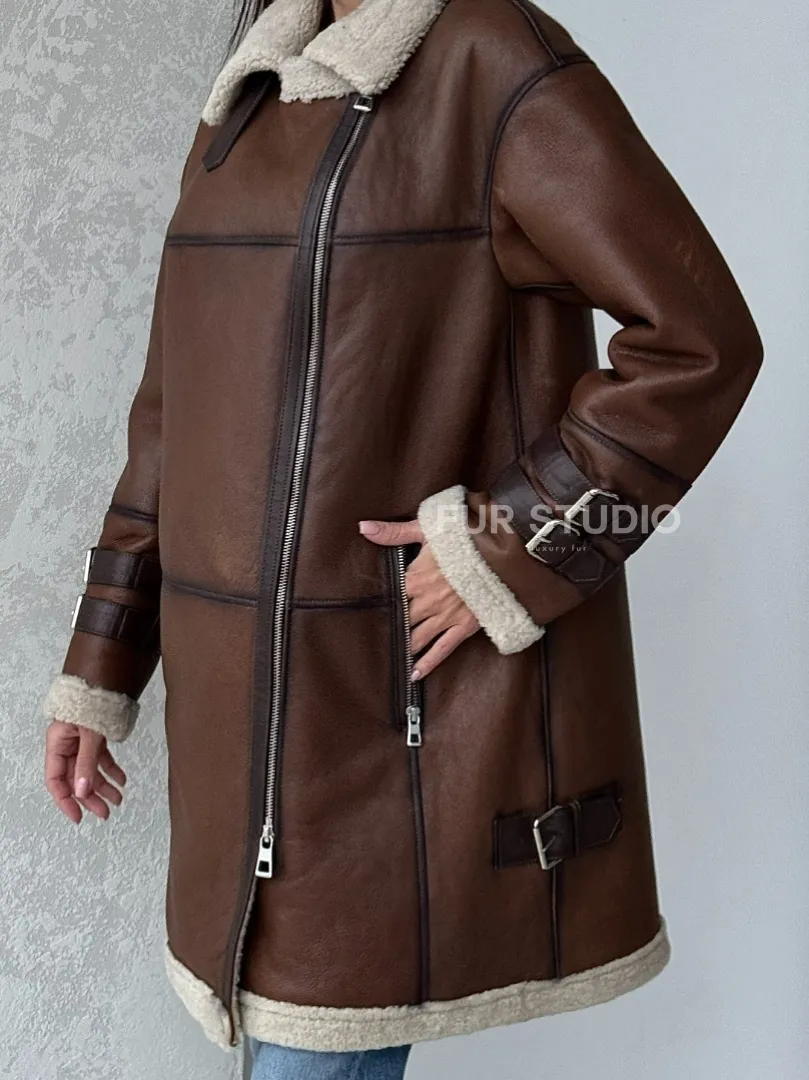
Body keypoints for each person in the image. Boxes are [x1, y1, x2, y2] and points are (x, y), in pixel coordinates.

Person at [42, 0, 763, 1078]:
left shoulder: (491, 58)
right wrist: (99, 668)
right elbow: (165, 424)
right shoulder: (250, 91)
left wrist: (507, 548)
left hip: (383, 731)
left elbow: (701, 344)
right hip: (235, 740)